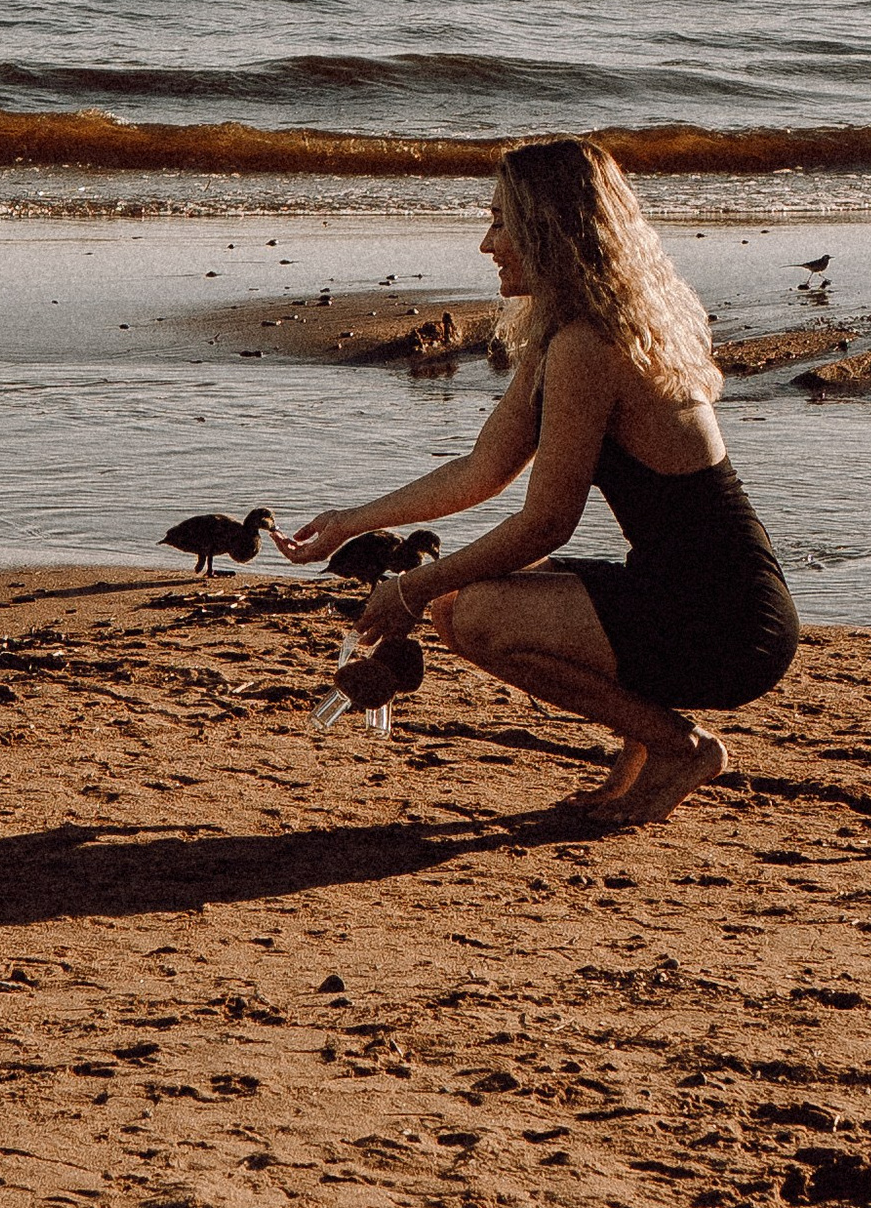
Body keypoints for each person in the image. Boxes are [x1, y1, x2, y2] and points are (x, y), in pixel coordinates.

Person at [275, 136, 799, 828]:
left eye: (502, 223)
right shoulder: (570, 333)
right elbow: (482, 469)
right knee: (458, 603)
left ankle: (679, 747)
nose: (488, 244)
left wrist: (409, 587)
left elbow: (548, 523)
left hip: (727, 623)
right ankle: (649, 746)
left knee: (479, 614)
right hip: (683, 592)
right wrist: (351, 522)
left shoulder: (589, 346)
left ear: (551, 231)